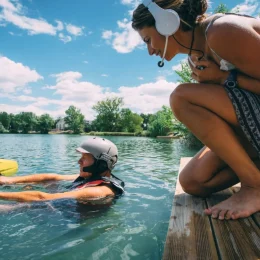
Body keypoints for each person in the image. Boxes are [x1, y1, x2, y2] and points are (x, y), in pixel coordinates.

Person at [132, 0, 260, 220]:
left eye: (148, 40)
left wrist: (223, 78)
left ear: (166, 23)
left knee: (181, 97)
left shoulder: (223, 31)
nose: (150, 51)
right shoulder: (197, 54)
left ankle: (254, 186)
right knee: (193, 182)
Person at [0, 137, 124, 204]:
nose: (79, 162)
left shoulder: (100, 190)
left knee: (28, 204)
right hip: (58, 206)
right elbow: (51, 177)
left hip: (65, 221)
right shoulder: (90, 177)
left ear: (101, 165)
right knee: (42, 184)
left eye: (84, 158)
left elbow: (42, 197)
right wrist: (8, 180)